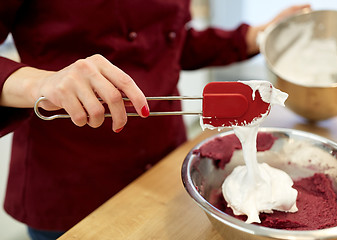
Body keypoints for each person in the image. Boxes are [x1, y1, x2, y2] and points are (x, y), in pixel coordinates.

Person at [0, 1, 310, 239]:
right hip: (74, 184)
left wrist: (251, 38)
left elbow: (169, 42)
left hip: (166, 170)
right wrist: (37, 84)